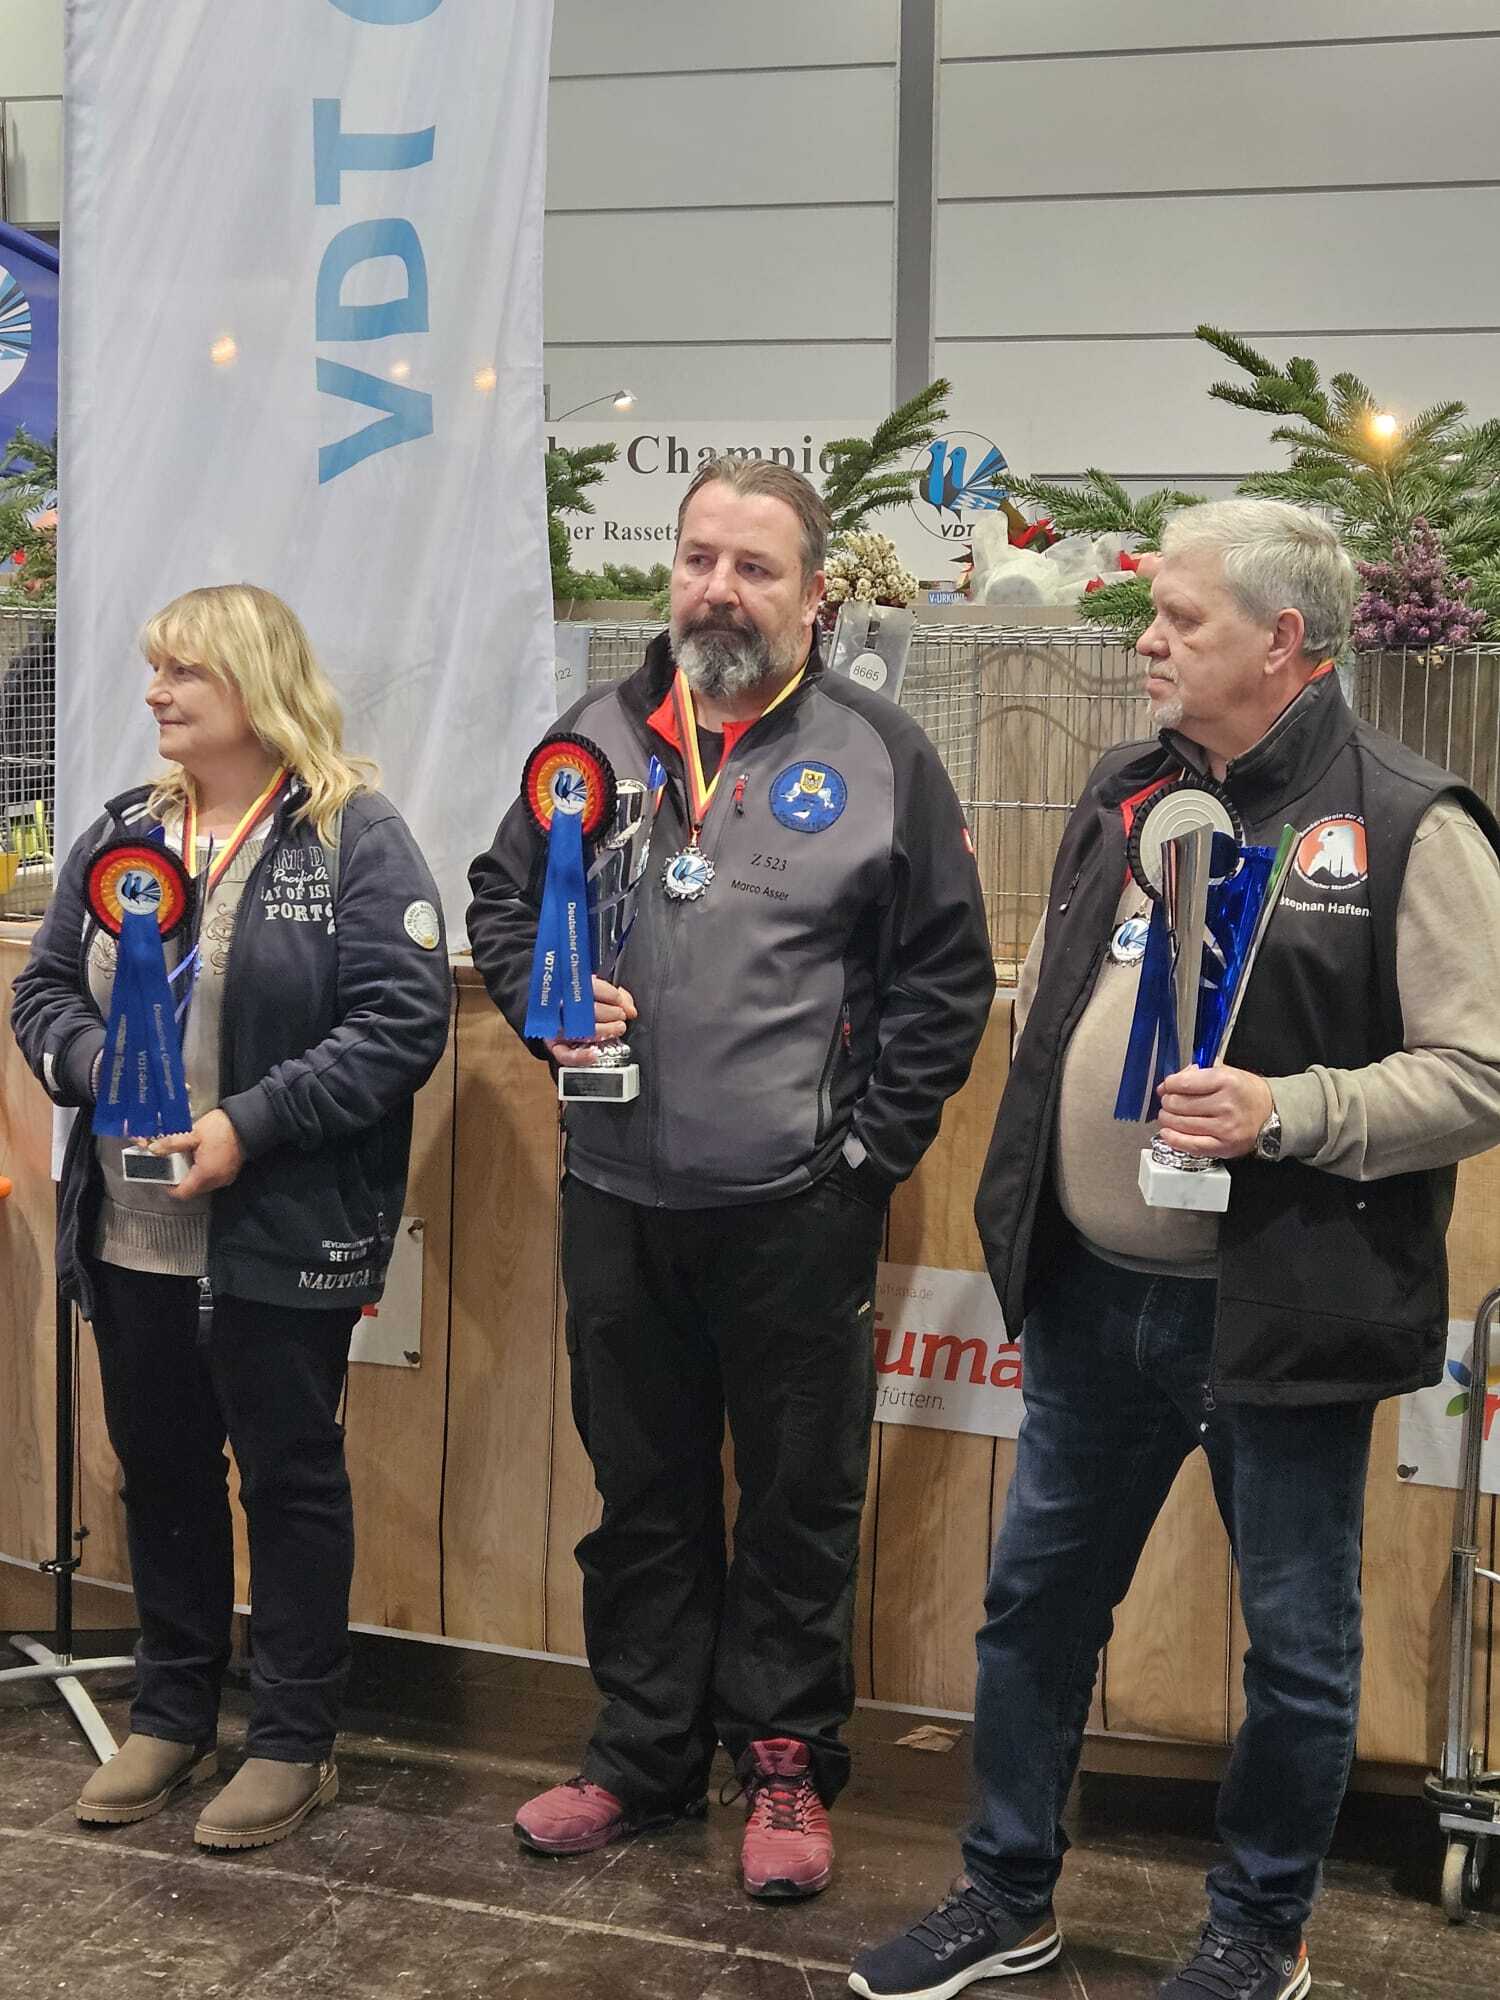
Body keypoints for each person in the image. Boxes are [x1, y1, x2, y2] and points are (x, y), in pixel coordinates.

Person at [850, 500, 1500, 2000]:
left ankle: (1261, 1934)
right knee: (1035, 1611)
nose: (1145, 641)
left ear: (1284, 640)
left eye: (1181, 618)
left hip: (1279, 1313)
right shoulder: (1125, 788)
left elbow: (1478, 1073)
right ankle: (1005, 1891)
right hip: (1093, 1298)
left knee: (1297, 1647)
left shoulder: (1411, 820)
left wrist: (1288, 1110)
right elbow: (1064, 984)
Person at [468, 458, 995, 1899]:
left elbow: (945, 978)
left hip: (794, 1207)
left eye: (754, 568)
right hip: (615, 1195)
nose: (718, 590)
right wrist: (544, 1006)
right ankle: (641, 1754)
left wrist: (865, 1158)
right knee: (640, 1491)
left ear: (815, 597)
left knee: (796, 1500)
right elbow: (503, 898)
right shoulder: (591, 738)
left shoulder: (880, 752)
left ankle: (783, 1760)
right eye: (699, 558)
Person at [11, 583, 450, 1851]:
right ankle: (170, 1713)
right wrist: (100, 1064)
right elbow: (44, 991)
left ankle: (295, 1736)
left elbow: (400, 1020)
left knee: (291, 1479)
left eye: (184, 671)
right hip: (129, 1229)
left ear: (256, 685)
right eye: (155, 669)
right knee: (160, 1471)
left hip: (279, 1227)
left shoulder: (352, 834)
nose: (155, 691)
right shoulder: (121, 831)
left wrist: (247, 1125)